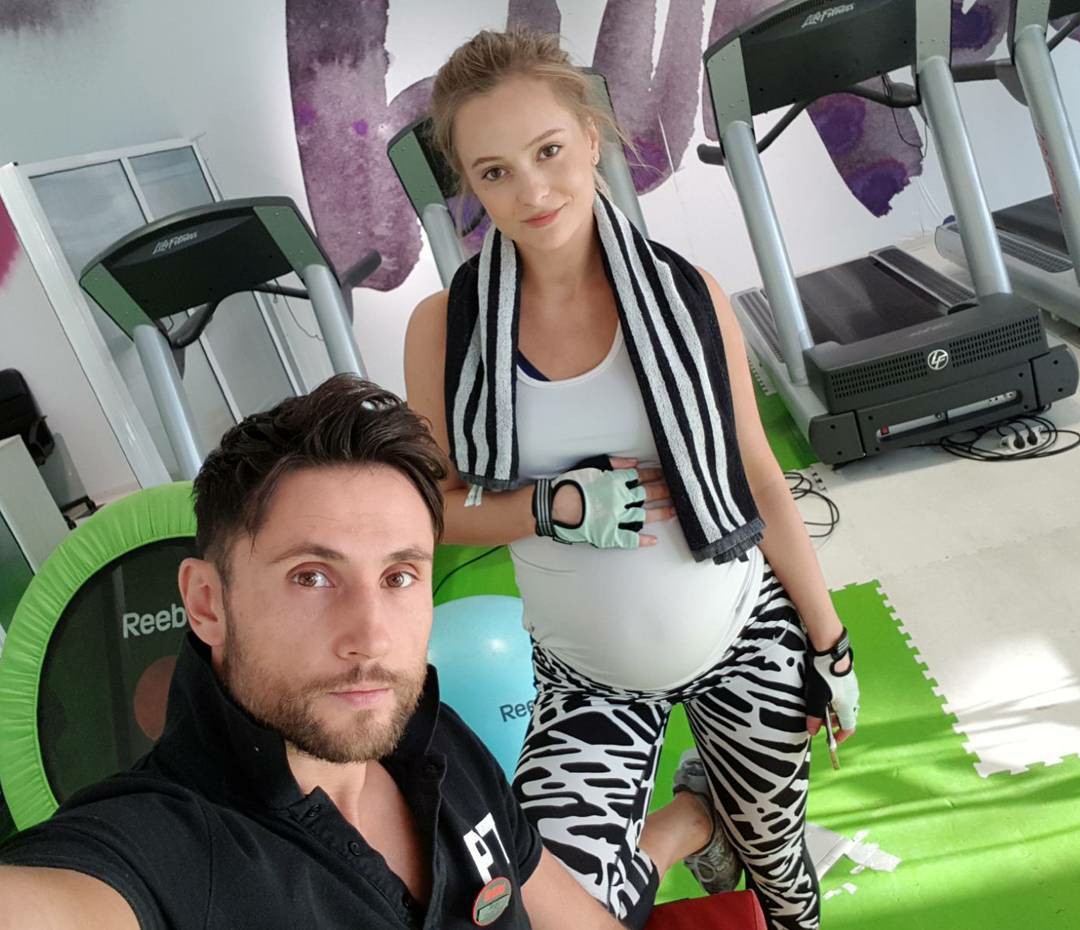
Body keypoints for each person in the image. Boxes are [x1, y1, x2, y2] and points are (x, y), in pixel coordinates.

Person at [404, 29, 861, 930]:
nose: (532, 191)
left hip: (744, 635)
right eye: (495, 172)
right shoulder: (444, 327)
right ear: (469, 185)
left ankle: (735, 829)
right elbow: (431, 508)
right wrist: (549, 506)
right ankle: (694, 820)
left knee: (780, 872)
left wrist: (830, 640)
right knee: (554, 909)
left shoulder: (689, 293)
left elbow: (759, 475)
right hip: (587, 677)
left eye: (547, 151)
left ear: (590, 137)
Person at [0, 375, 712, 929]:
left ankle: (694, 818)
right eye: (312, 576)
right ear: (208, 603)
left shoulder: (433, 738)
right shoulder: (167, 853)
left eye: (399, 576)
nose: (371, 637)